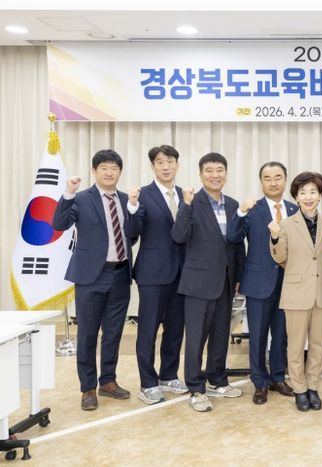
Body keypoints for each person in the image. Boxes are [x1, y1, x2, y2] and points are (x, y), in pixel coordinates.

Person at [52, 149, 136, 411]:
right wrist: (68, 193)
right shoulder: (81, 198)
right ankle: (87, 388)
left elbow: (132, 234)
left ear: (120, 172)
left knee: (113, 333)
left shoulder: (127, 200)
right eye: (104, 168)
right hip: (91, 276)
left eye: (114, 168)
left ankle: (107, 381)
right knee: (88, 333)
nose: (109, 172)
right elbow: (59, 224)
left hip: (120, 274)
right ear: (94, 171)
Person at [171, 152, 245, 412]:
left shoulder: (233, 205)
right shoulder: (192, 202)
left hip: (226, 281)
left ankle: (217, 379)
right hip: (198, 282)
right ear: (200, 174)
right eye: (209, 171)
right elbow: (179, 236)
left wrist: (239, 277)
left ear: (226, 173)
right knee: (196, 338)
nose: (215, 175)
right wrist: (185, 206)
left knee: (221, 334)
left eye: (220, 170)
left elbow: (237, 244)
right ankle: (195, 387)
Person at [227, 162, 296, 404]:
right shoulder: (252, 209)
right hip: (258, 282)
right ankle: (260, 382)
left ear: (285, 180)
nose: (273, 182)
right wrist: (240, 212)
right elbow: (233, 236)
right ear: (261, 182)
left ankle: (278, 377)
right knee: (257, 336)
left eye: (278, 177)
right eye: (268, 178)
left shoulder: (295, 209)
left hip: (289, 284)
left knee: (281, 335)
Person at [126, 145, 188, 405]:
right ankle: (148, 383)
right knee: (148, 330)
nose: (166, 166)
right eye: (160, 162)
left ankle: (169, 375)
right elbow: (131, 233)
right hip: (152, 273)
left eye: (170, 161)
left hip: (182, 273)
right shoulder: (143, 195)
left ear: (177, 165)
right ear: (152, 166)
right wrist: (131, 207)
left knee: (175, 328)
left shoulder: (186, 196)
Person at [269, 172, 322, 412]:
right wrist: (275, 237)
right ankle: (299, 389)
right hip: (296, 293)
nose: (308, 197)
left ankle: (313, 387)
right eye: (303, 192)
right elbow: (280, 257)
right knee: (295, 346)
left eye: (313, 192)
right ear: (296, 197)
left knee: (317, 345)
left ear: (320, 196)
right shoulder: (286, 224)